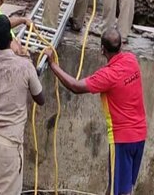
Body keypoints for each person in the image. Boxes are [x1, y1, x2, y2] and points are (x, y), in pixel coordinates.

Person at [44, 29, 147, 195]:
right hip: (140, 135)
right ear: (121, 45)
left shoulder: (107, 76)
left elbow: (75, 86)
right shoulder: (132, 60)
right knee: (118, 187)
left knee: (120, 192)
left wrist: (53, 65)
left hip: (121, 139)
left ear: (102, 49)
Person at [0, 14, 45, 195]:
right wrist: (25, 58)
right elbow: (40, 99)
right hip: (9, 143)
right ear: (11, 38)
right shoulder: (25, 66)